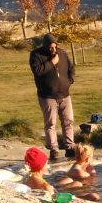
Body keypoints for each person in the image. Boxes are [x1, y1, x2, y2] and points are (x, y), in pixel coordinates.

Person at [29, 33, 76, 162]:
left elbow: (71, 67)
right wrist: (52, 62)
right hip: (47, 96)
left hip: (65, 95)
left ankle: (70, 148)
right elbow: (37, 71)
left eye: (55, 46)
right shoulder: (36, 55)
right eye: (51, 47)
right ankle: (54, 150)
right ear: (45, 46)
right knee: (50, 124)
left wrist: (70, 80)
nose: (53, 50)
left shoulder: (62, 53)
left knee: (68, 122)